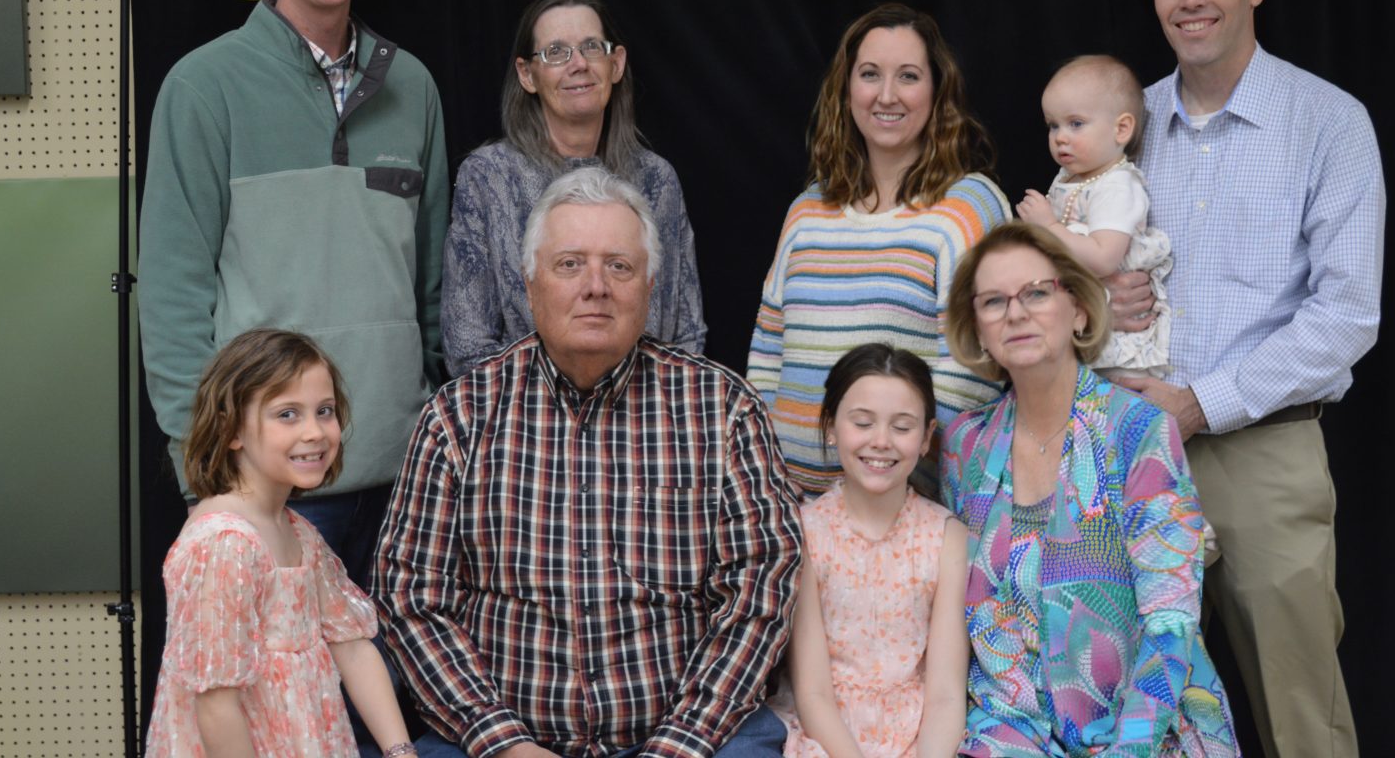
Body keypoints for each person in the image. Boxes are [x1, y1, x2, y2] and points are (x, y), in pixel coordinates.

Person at [375, 166, 803, 758]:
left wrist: (676, 747)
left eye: (619, 266)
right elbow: (410, 596)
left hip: (687, 736)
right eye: (570, 264)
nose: (595, 286)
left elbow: (761, 589)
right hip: (501, 740)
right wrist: (502, 742)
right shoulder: (459, 417)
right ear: (530, 284)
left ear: (651, 286)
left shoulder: (723, 410)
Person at [1107, 0, 1383, 758]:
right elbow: (1065, 276)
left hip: (1265, 453)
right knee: (1121, 710)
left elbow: (1347, 315)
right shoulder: (1123, 124)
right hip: (1127, 452)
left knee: (1302, 720)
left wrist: (1198, 404)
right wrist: (1097, 300)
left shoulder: (1328, 121)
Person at [138, 0, 449, 581]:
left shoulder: (412, 86)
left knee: (387, 667)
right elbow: (175, 296)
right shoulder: (203, 88)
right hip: (267, 487)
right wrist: (205, 475)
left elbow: (435, 290)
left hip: (404, 481)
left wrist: (439, 444)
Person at [942, 223, 1237, 756]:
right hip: (1013, 732)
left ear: (1078, 309)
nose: (1016, 313)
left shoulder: (1137, 429)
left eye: (1036, 293)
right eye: (993, 301)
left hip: (1145, 731)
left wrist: (1131, 748)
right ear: (979, 330)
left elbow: (1170, 622)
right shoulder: (965, 446)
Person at [749, 3, 1008, 495]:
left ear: (937, 91)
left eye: (908, 76)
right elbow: (766, 351)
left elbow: (973, 371)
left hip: (903, 508)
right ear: (846, 90)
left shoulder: (967, 207)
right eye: (870, 74)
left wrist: (895, 488)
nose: (887, 95)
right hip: (789, 506)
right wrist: (767, 475)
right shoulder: (807, 210)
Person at [145, 329, 413, 758]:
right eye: (287, 414)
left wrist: (401, 752)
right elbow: (215, 705)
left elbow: (353, 648)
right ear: (231, 429)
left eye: (324, 411)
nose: (314, 431)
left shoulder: (300, 534)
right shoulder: (224, 545)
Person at [442, 0, 705, 375]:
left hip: (648, 407)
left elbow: (686, 337)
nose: (578, 64)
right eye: (556, 52)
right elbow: (468, 348)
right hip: (521, 410)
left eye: (591, 47)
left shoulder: (657, 180)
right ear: (527, 75)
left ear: (616, 64)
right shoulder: (488, 178)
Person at [771, 344, 969, 758]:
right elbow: (812, 693)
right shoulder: (805, 533)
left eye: (902, 427)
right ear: (831, 427)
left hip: (921, 735)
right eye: (863, 423)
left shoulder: (946, 538)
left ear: (926, 437)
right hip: (825, 737)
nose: (881, 442)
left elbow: (946, 695)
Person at [1015, 55, 1172, 379]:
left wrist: (1048, 226)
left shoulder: (1117, 186)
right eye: (1053, 125)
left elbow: (1103, 258)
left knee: (1112, 404)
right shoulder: (1070, 179)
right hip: (1082, 333)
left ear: (1121, 129)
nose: (1060, 137)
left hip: (1120, 347)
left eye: (1076, 124)